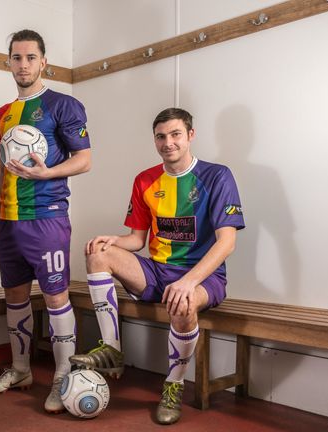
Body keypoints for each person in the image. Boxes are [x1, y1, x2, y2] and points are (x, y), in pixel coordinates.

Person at [72, 107, 245, 425]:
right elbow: (137, 239)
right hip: (157, 270)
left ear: (190, 135)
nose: (168, 142)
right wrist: (112, 240)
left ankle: (173, 385)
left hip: (205, 278)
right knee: (98, 254)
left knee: (183, 301)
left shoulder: (217, 176)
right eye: (161, 136)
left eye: (176, 134)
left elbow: (227, 242)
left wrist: (190, 282)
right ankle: (111, 349)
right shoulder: (145, 179)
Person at [0, 29, 91, 414]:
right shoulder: (3, 115)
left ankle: (62, 377)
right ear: (8, 62)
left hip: (47, 219)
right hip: (10, 222)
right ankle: (21, 369)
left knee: (56, 297)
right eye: (16, 57)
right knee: (14, 296)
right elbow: (0, 170)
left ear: (44, 62)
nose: (23, 64)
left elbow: (84, 159)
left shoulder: (64, 104)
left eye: (31, 58)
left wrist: (46, 175)